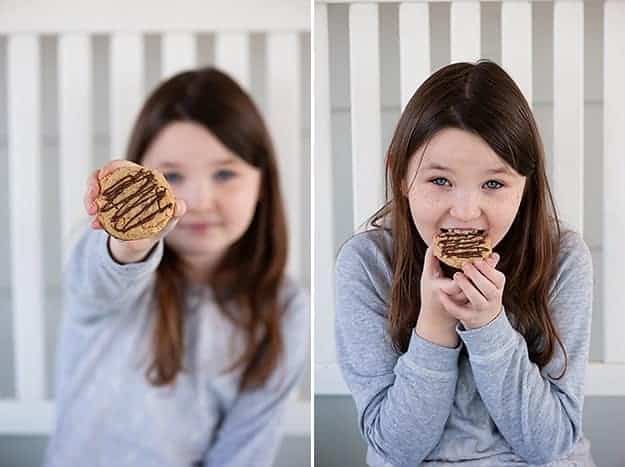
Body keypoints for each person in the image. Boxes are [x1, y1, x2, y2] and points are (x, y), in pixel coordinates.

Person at [44, 67, 308, 467]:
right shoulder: (108, 266)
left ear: (262, 183)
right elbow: (98, 278)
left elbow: (245, 451)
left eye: (224, 173)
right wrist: (130, 244)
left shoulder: (284, 307)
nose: (199, 200)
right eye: (170, 175)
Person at [335, 60, 595, 466]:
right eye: (440, 181)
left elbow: (552, 444)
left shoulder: (562, 258)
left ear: (525, 188)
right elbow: (395, 450)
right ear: (401, 177)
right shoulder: (366, 265)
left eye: (493, 183)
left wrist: (488, 325)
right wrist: (435, 326)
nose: (466, 212)